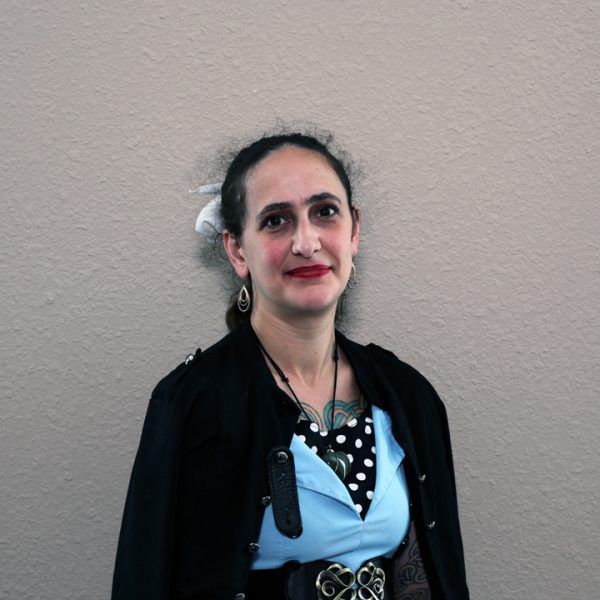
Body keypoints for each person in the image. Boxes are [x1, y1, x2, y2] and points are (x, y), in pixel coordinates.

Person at [112, 132, 469, 599]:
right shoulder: (193, 402)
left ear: (353, 230)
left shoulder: (408, 394)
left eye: (325, 212)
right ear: (238, 250)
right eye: (276, 220)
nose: (306, 241)